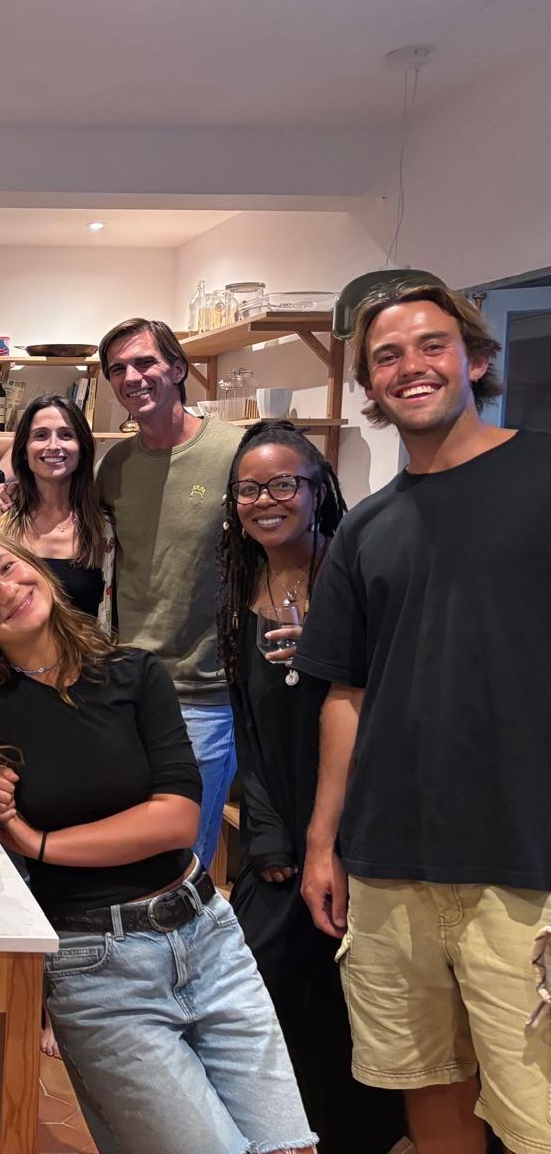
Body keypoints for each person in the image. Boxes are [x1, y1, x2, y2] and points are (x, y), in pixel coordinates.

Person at [0, 529, 316, 1154]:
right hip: (96, 962)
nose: (8, 590)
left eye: (8, 567)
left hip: (210, 938)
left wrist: (38, 841)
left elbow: (178, 820)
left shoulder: (134, 672)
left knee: (295, 1148)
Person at [295, 279, 550, 1154]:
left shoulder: (544, 473)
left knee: (535, 1109)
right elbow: (346, 692)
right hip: (390, 859)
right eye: (388, 357)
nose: (412, 368)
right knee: (424, 1081)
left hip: (524, 858)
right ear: (369, 386)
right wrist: (325, 844)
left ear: (475, 359)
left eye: (432, 345)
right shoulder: (368, 528)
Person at [215, 422, 405, 1154]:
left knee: (348, 998)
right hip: (282, 824)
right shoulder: (242, 582)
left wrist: (331, 655)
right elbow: (251, 724)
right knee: (264, 982)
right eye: (250, 488)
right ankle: (283, 1133)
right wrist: (264, 831)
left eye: (283, 483)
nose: (266, 500)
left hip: (359, 825)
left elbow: (383, 703)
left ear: (317, 488)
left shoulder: (351, 574)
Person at [95, 318, 242, 869]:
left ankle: (192, 955)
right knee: (128, 841)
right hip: (127, 684)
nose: (132, 377)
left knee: (184, 858)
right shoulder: (117, 466)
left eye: (145, 363)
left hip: (203, 691)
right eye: (118, 370)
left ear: (178, 369)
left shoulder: (235, 451)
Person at [0, 393, 114, 630]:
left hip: (85, 664)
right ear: (24, 451)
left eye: (66, 434)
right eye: (40, 435)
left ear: (82, 449)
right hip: (5, 665)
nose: (53, 445)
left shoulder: (104, 528)